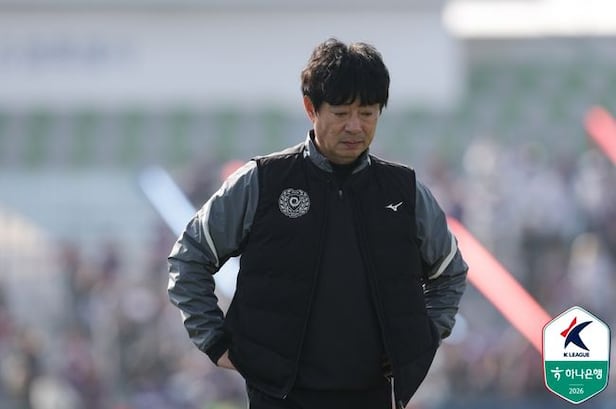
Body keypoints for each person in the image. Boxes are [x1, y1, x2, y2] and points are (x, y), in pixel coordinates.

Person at [168, 38, 468, 409]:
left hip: (370, 397)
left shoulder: (404, 191)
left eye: (367, 113)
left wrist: (419, 340)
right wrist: (214, 342)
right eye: (341, 113)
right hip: (279, 397)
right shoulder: (262, 181)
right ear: (311, 108)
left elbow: (450, 273)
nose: (355, 126)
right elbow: (188, 258)